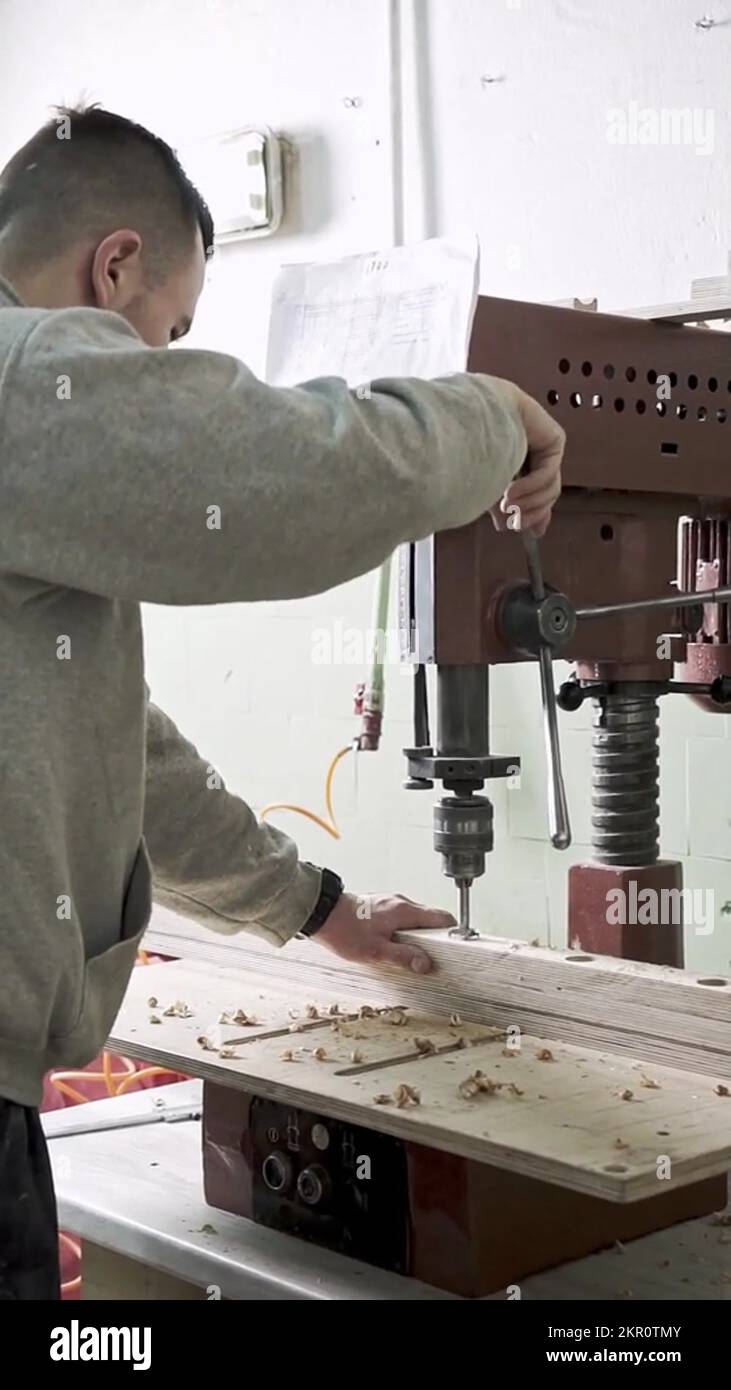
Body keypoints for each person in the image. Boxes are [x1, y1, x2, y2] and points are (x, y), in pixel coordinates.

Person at [0, 106, 564, 1298]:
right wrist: (491, 416)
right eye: (170, 332)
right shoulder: (22, 377)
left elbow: (113, 752)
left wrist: (314, 907)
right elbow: (281, 474)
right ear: (115, 267)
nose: (157, 364)